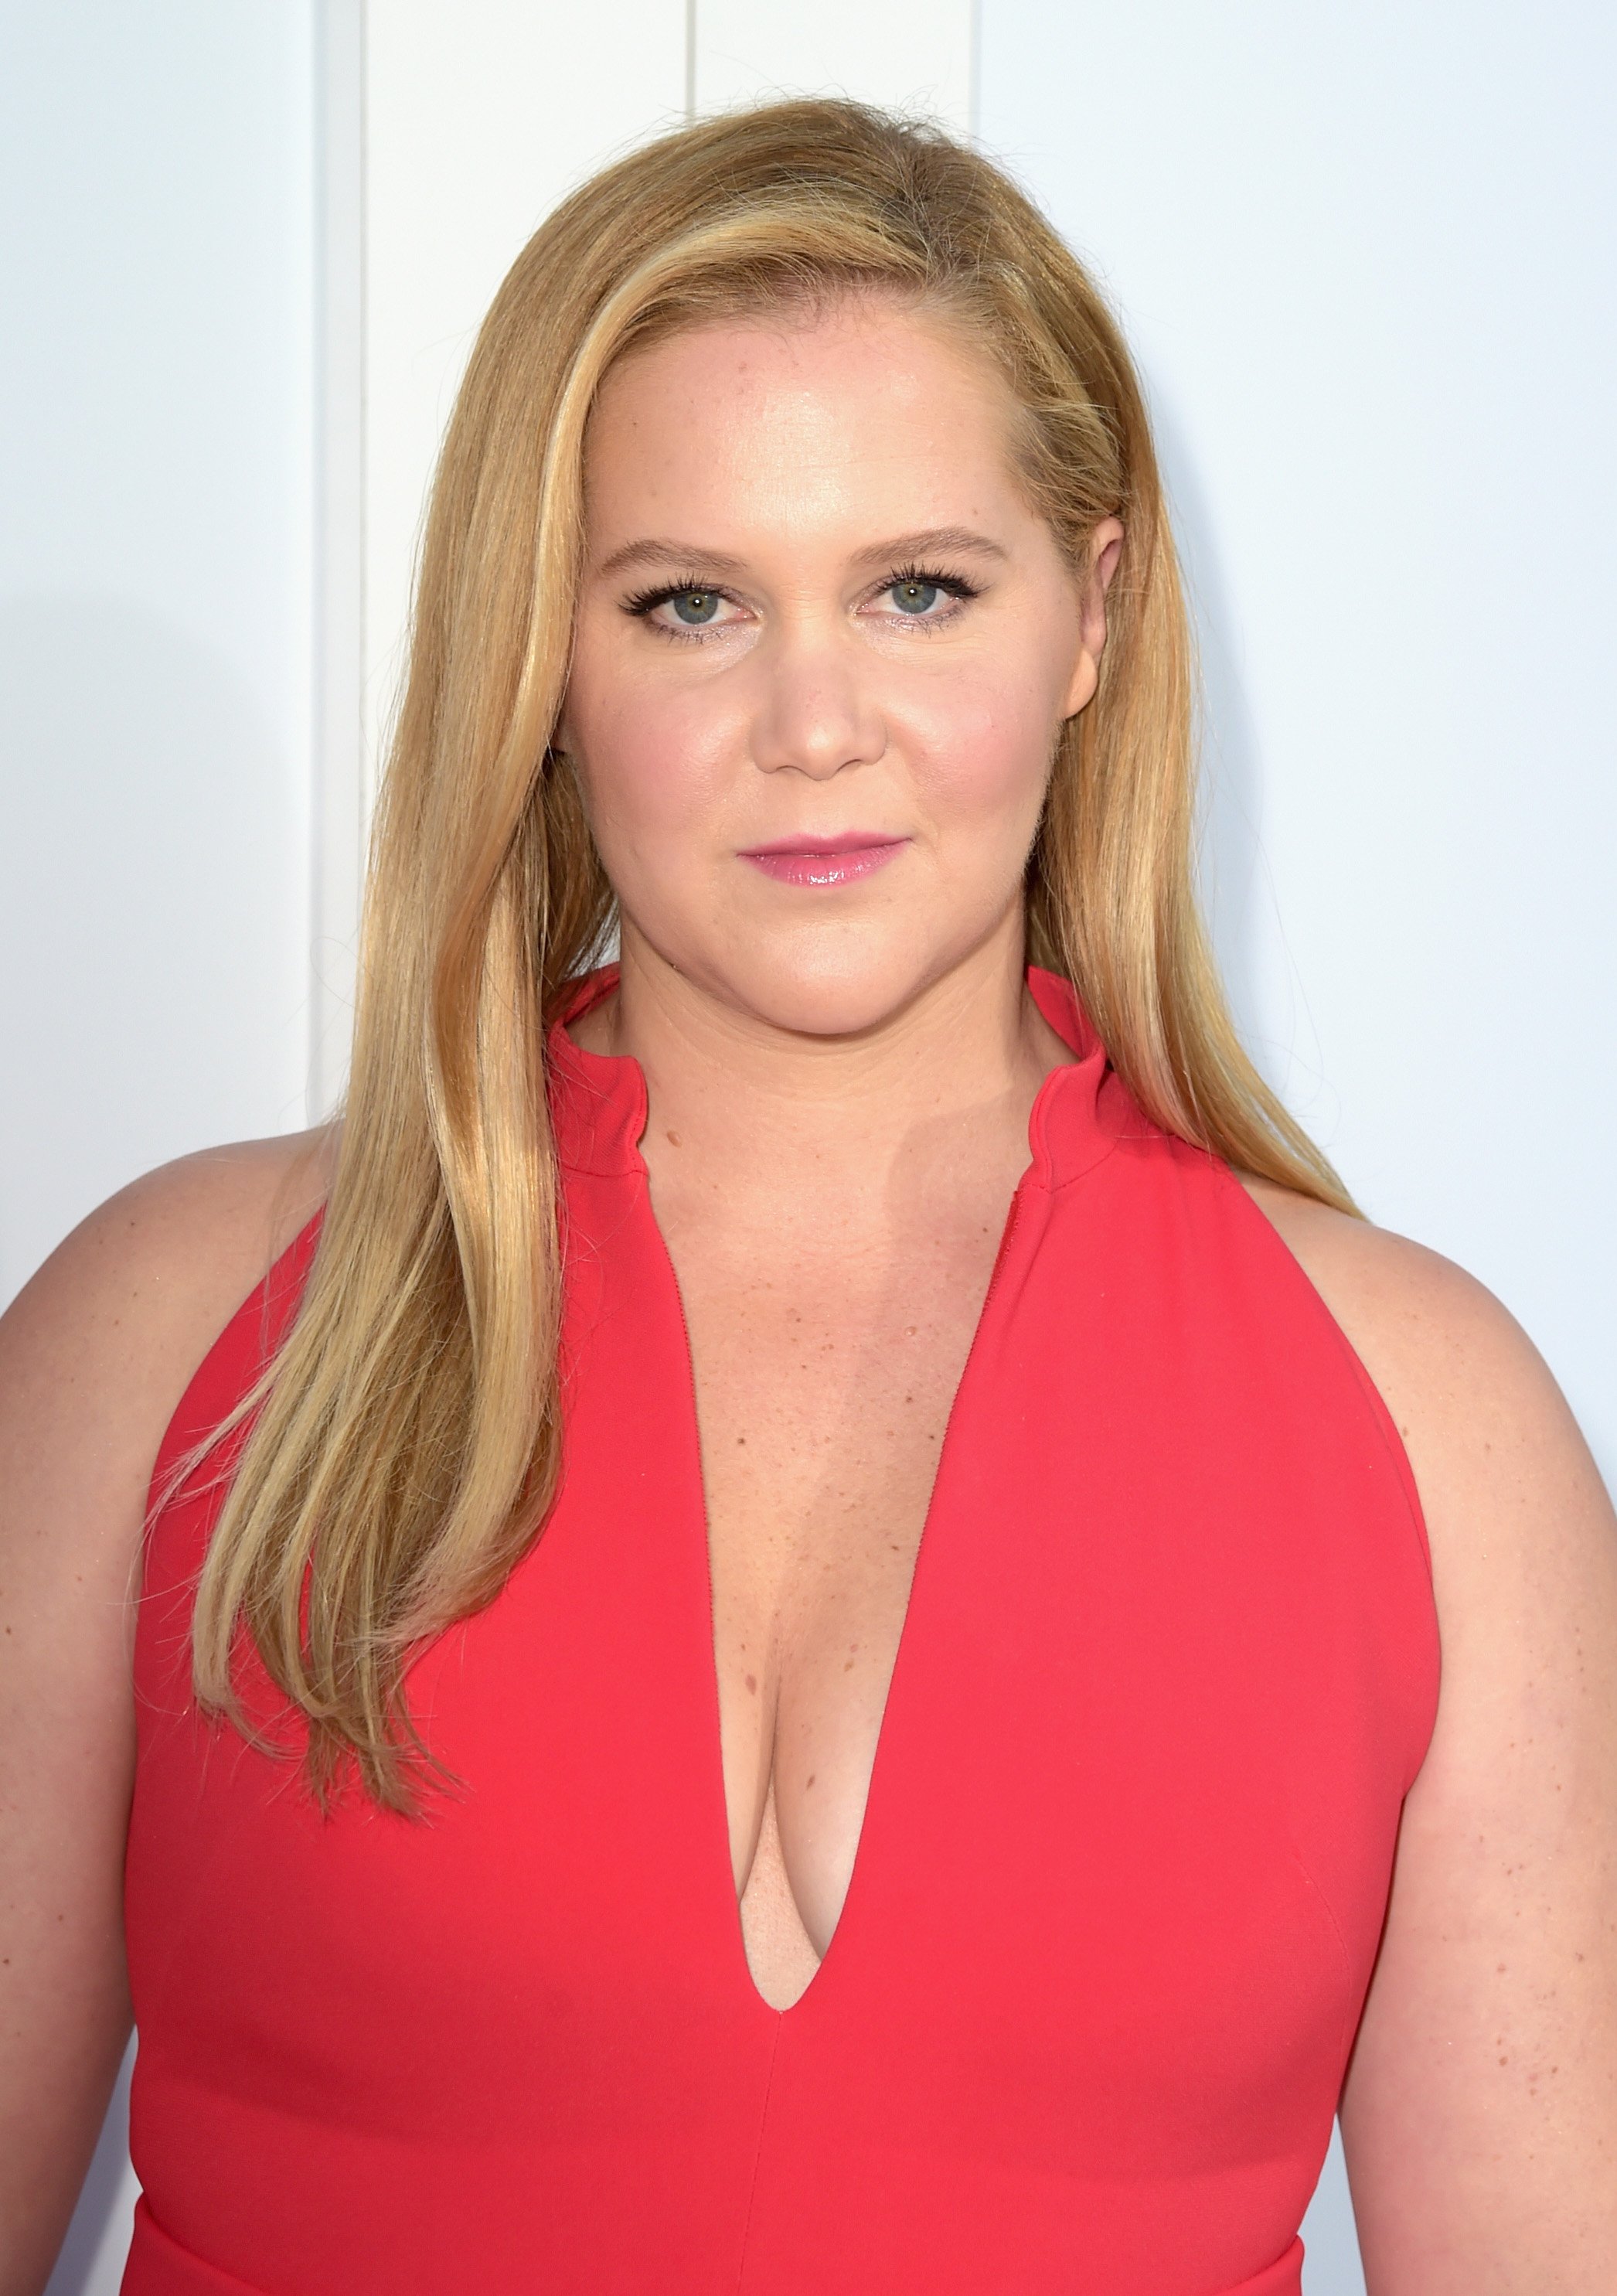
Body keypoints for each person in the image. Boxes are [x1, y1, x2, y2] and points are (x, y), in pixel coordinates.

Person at [2, 97, 1613, 2296]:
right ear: (545, 666)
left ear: (1091, 613)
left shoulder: (1434, 1428)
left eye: (918, 588)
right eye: (688, 605)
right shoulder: (157, 1340)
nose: (814, 722)